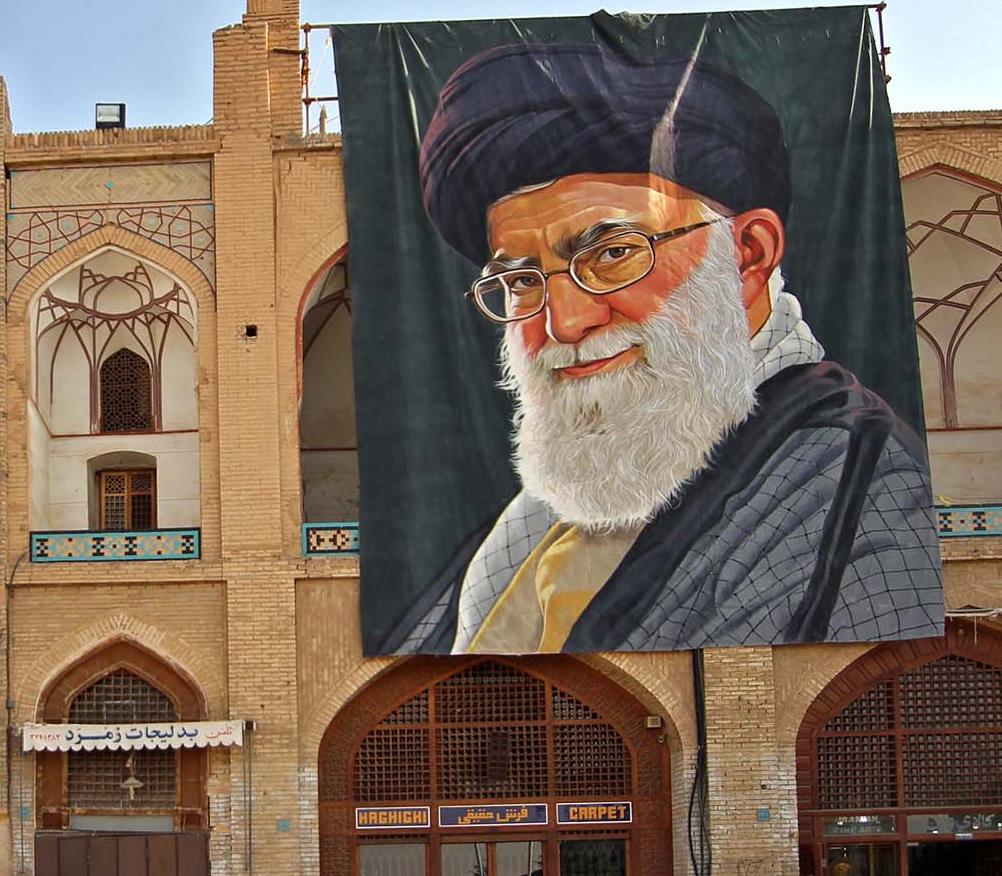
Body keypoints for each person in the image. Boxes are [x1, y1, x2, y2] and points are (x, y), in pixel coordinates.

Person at [383, 42, 943, 654]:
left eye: (613, 254)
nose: (565, 322)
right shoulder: (530, 528)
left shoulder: (852, 489)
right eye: (522, 281)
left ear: (748, 253)